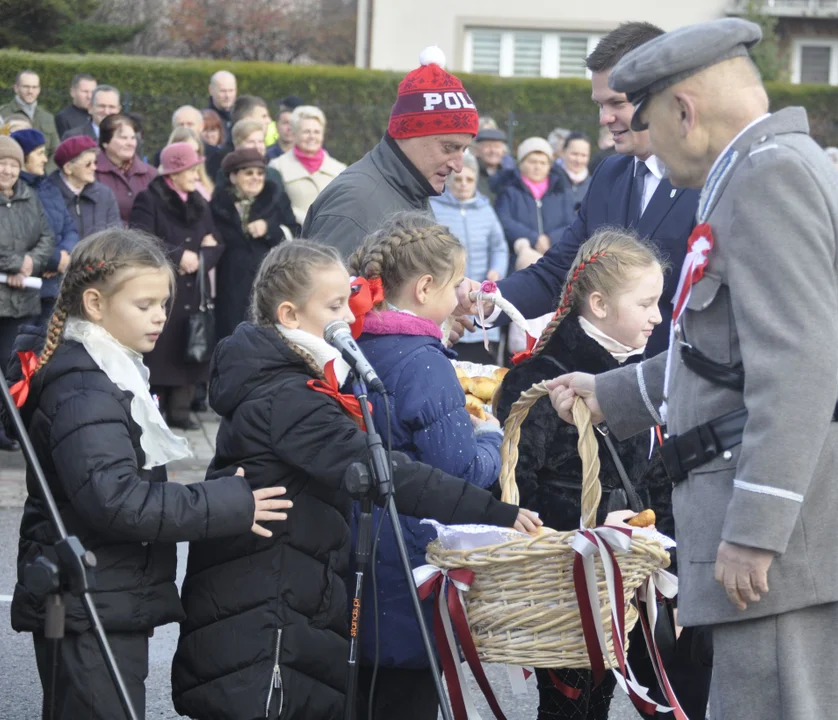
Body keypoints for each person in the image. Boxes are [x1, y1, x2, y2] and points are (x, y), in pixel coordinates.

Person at [545, 19, 838, 719]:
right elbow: (720, 352)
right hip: (796, 538)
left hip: (789, 545)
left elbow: (797, 369)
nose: (646, 143)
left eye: (649, 122)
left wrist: (755, 530)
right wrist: (611, 391)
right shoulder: (766, 169)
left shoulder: (770, 179)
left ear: (685, 109)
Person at [169, 240, 541, 720]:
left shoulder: (283, 377)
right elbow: (389, 474)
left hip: (281, 591)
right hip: (266, 610)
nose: (350, 316)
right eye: (334, 306)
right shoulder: (288, 397)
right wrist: (497, 512)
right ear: (288, 315)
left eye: (348, 299)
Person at [3, 228, 289, 720]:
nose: (160, 315)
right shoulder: (85, 389)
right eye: (144, 304)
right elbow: (117, 501)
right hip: (87, 598)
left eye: (163, 302)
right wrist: (229, 503)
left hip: (101, 590)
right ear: (94, 303)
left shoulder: (110, 370)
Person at [497, 230, 673, 719]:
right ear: (597, 303)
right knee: (569, 705)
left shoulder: (635, 376)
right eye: (646, 303)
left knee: (605, 698)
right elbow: (517, 483)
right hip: (565, 579)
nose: (658, 316)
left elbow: (652, 477)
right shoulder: (545, 376)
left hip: (627, 576)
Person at [460, 22, 698, 360]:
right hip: (598, 390)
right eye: (600, 104)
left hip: (672, 392)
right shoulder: (610, 175)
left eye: (617, 103)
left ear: (661, 93)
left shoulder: (707, 181)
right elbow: (559, 272)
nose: (604, 118)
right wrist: (485, 299)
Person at [347, 213, 505, 718]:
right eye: (458, 283)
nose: (464, 294)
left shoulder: (354, 342)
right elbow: (458, 472)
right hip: (408, 559)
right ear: (424, 288)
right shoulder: (425, 361)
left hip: (357, 550)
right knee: (408, 699)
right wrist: (492, 437)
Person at [302, 46, 477, 258]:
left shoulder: (412, 190)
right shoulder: (355, 206)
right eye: (449, 148)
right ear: (409, 133)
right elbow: (325, 290)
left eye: (464, 149)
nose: (458, 166)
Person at [128, 142, 220, 429]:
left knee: (188, 347)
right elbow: (141, 238)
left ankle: (180, 411)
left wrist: (201, 258)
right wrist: (180, 256)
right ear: (176, 171)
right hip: (162, 286)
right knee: (160, 350)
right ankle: (154, 411)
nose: (197, 175)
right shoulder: (150, 199)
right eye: (192, 169)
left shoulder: (199, 202)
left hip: (193, 289)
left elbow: (216, 241)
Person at [0, 135, 54, 451]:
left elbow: (47, 237)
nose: (6, 170)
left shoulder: (30, 197)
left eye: (12, 164)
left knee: (17, 366)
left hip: (23, 300)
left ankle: (10, 426)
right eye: (2, 163)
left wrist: (32, 263)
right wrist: (18, 264)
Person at [210, 147, 297, 342]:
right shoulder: (218, 204)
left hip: (267, 284)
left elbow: (295, 231)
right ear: (233, 177)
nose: (255, 178)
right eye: (248, 173)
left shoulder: (276, 198)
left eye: (260, 173)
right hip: (228, 287)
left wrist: (269, 229)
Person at [429, 152, 508, 364]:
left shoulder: (486, 210)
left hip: (481, 293)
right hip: (447, 292)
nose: (464, 184)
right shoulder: (434, 207)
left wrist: (496, 270)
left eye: (469, 179)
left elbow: (499, 247)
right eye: (459, 179)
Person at [11, 129, 79, 327]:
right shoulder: (12, 190)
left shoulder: (49, 187)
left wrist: (65, 255)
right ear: (23, 157)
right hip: (23, 291)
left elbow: (70, 227)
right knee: (21, 354)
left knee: (47, 350)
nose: (44, 158)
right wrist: (55, 259)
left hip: (54, 288)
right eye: (39, 153)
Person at [495, 137, 575, 270]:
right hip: (519, 261)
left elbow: (571, 222)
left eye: (543, 163)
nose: (537, 167)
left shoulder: (561, 191)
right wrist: (534, 238)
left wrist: (550, 239)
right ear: (521, 163)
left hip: (556, 258)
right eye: (532, 161)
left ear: (549, 166)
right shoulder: (509, 190)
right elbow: (504, 221)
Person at [268, 105, 346, 225]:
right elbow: (274, 207)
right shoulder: (277, 167)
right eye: (306, 132)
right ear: (295, 134)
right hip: (294, 238)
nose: (312, 137)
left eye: (316, 132)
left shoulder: (339, 169)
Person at [49, 136, 121, 242]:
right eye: (88, 164)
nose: (94, 168)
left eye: (95, 162)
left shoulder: (105, 194)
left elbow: (116, 235)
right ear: (68, 168)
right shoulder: (47, 196)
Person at [94, 114, 156, 226]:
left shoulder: (151, 174)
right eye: (123, 138)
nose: (130, 143)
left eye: (132, 138)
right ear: (105, 142)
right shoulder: (92, 172)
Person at [0, 71, 60, 172]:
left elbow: (56, 150)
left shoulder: (47, 117)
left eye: (34, 87)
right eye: (26, 87)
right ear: (16, 88)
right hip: (11, 174)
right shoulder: (2, 114)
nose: (30, 91)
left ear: (39, 90)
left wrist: (44, 173)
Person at [208, 94, 271, 179]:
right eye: (264, 116)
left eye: (260, 142)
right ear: (247, 119)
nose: (269, 121)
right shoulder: (220, 159)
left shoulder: (267, 156)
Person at [165, 126, 214, 201]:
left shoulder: (205, 184)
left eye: (196, 152)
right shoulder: (162, 189)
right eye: (188, 151)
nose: (193, 157)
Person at [473, 126, 514, 201]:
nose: (493, 151)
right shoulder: (470, 173)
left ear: (503, 151)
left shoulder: (509, 176)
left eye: (497, 147)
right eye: (487, 146)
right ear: (477, 150)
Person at [53, 73, 96, 139]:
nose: (89, 96)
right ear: (72, 92)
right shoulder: (63, 118)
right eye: (85, 91)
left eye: (93, 92)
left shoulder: (99, 115)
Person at [265, 95, 303, 161]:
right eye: (285, 123)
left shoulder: (306, 155)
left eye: (293, 123)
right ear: (276, 126)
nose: (290, 128)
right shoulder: (266, 155)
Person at [562, 131, 593, 209]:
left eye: (583, 155)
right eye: (574, 154)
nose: (578, 160)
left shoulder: (593, 185)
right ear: (563, 152)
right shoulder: (552, 182)